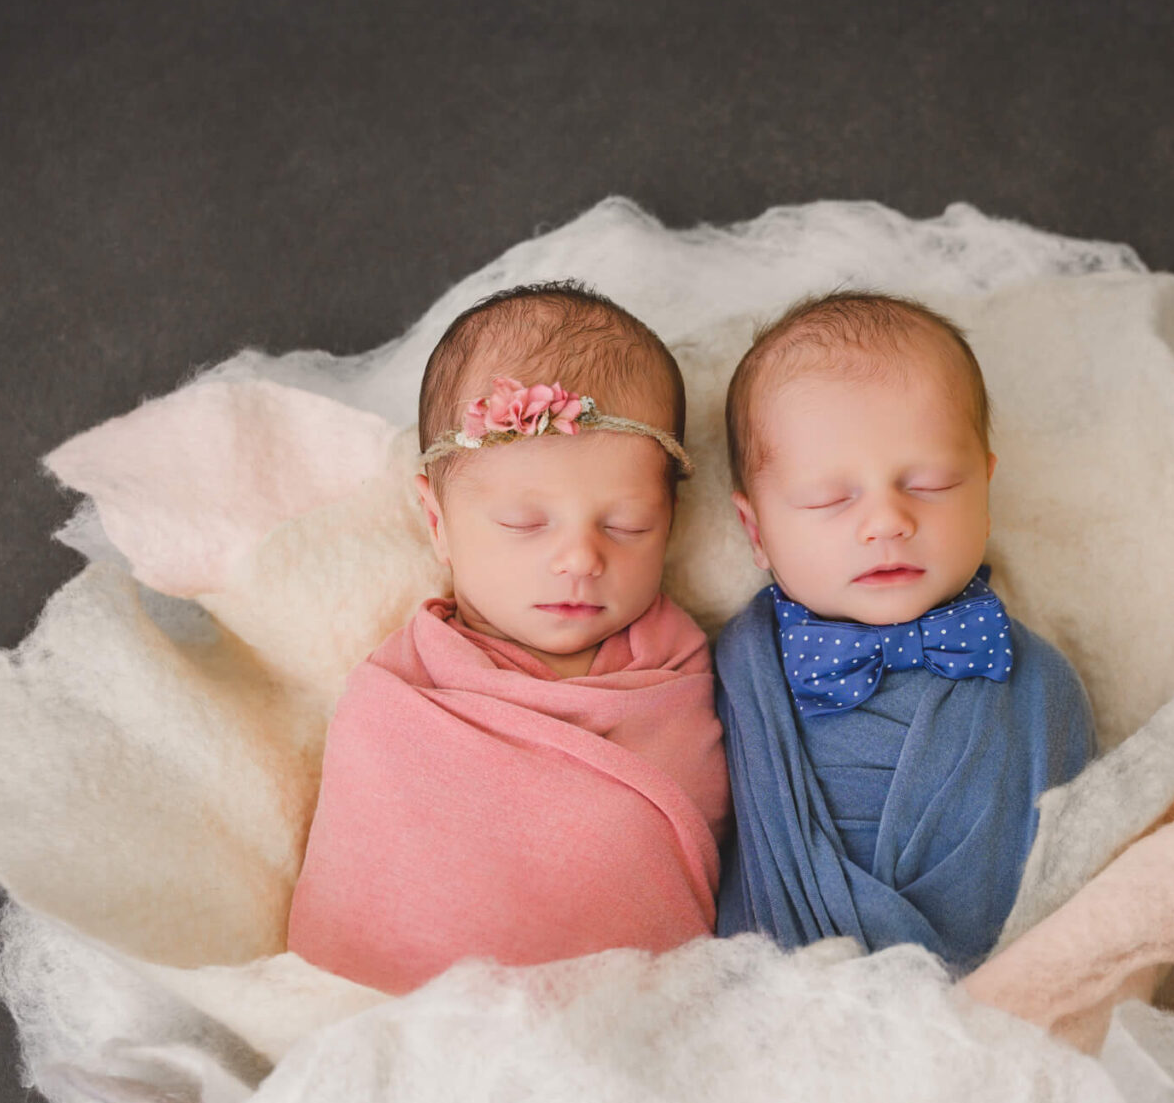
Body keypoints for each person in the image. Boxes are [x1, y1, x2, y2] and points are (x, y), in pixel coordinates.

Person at [285, 284, 729, 993]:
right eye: (525, 522)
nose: (581, 558)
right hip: (397, 1016)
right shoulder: (402, 697)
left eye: (627, 525)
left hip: (620, 1024)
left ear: (671, 522)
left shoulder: (682, 675)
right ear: (436, 522)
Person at [713, 292, 1095, 972]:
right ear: (756, 530)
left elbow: (1082, 879)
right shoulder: (732, 678)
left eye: (930, 483)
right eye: (831, 498)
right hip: (774, 1011)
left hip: (997, 1010)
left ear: (985, 490)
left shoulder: (1041, 685)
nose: (887, 520)